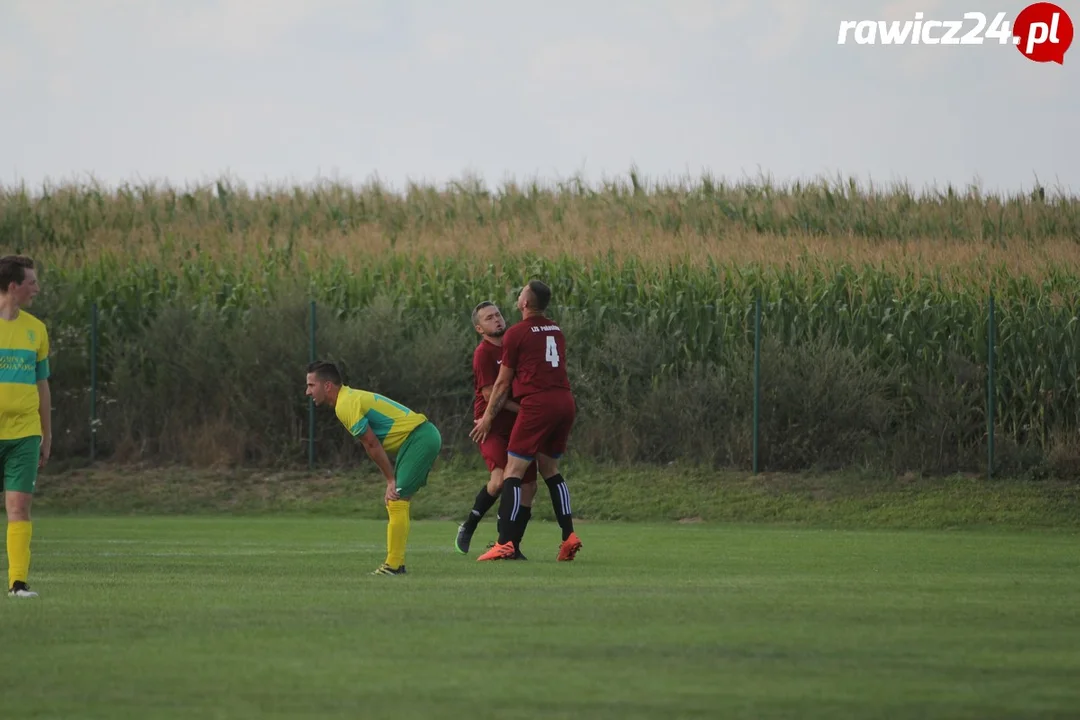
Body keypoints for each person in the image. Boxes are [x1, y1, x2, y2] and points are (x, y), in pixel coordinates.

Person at [470, 280, 582, 562]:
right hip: (565, 401)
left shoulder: (516, 333)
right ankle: (569, 535)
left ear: (524, 303)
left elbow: (502, 384)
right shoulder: (555, 329)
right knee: (550, 468)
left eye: (521, 293)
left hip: (537, 405)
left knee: (513, 472)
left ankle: (505, 542)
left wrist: (487, 417)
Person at [305, 361, 442, 576]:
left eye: (312, 385)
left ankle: (394, 565)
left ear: (327, 386)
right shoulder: (348, 398)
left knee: (396, 499)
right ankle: (396, 564)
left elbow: (371, 443)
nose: (308, 391)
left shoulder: (345, 404)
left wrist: (390, 480)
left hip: (419, 438)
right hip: (419, 437)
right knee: (396, 501)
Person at [455, 301, 538, 559]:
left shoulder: (515, 345)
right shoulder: (484, 354)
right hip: (489, 425)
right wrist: (525, 410)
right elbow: (492, 393)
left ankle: (512, 545)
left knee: (529, 488)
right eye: (489, 318)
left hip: (518, 426)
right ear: (480, 328)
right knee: (501, 480)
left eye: (498, 315)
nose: (497, 320)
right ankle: (469, 524)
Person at [0, 255, 51, 598]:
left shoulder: (37, 330)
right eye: (31, 282)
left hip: (25, 434)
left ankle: (17, 584)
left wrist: (46, 434)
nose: (37, 288)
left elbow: (43, 386)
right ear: (13, 286)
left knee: (18, 507)